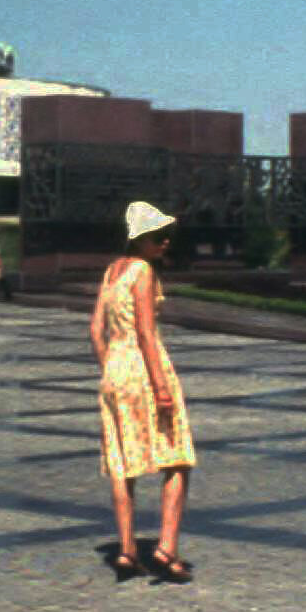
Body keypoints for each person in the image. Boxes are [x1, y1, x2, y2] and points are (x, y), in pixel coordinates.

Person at [89, 201, 196, 583]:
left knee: (122, 464)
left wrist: (111, 370)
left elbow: (94, 331)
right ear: (141, 240)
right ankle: (166, 548)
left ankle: (126, 550)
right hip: (144, 368)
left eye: (166, 235)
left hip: (114, 372)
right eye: (158, 236)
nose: (165, 242)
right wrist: (161, 388)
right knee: (178, 457)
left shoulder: (111, 272)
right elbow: (148, 334)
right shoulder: (143, 271)